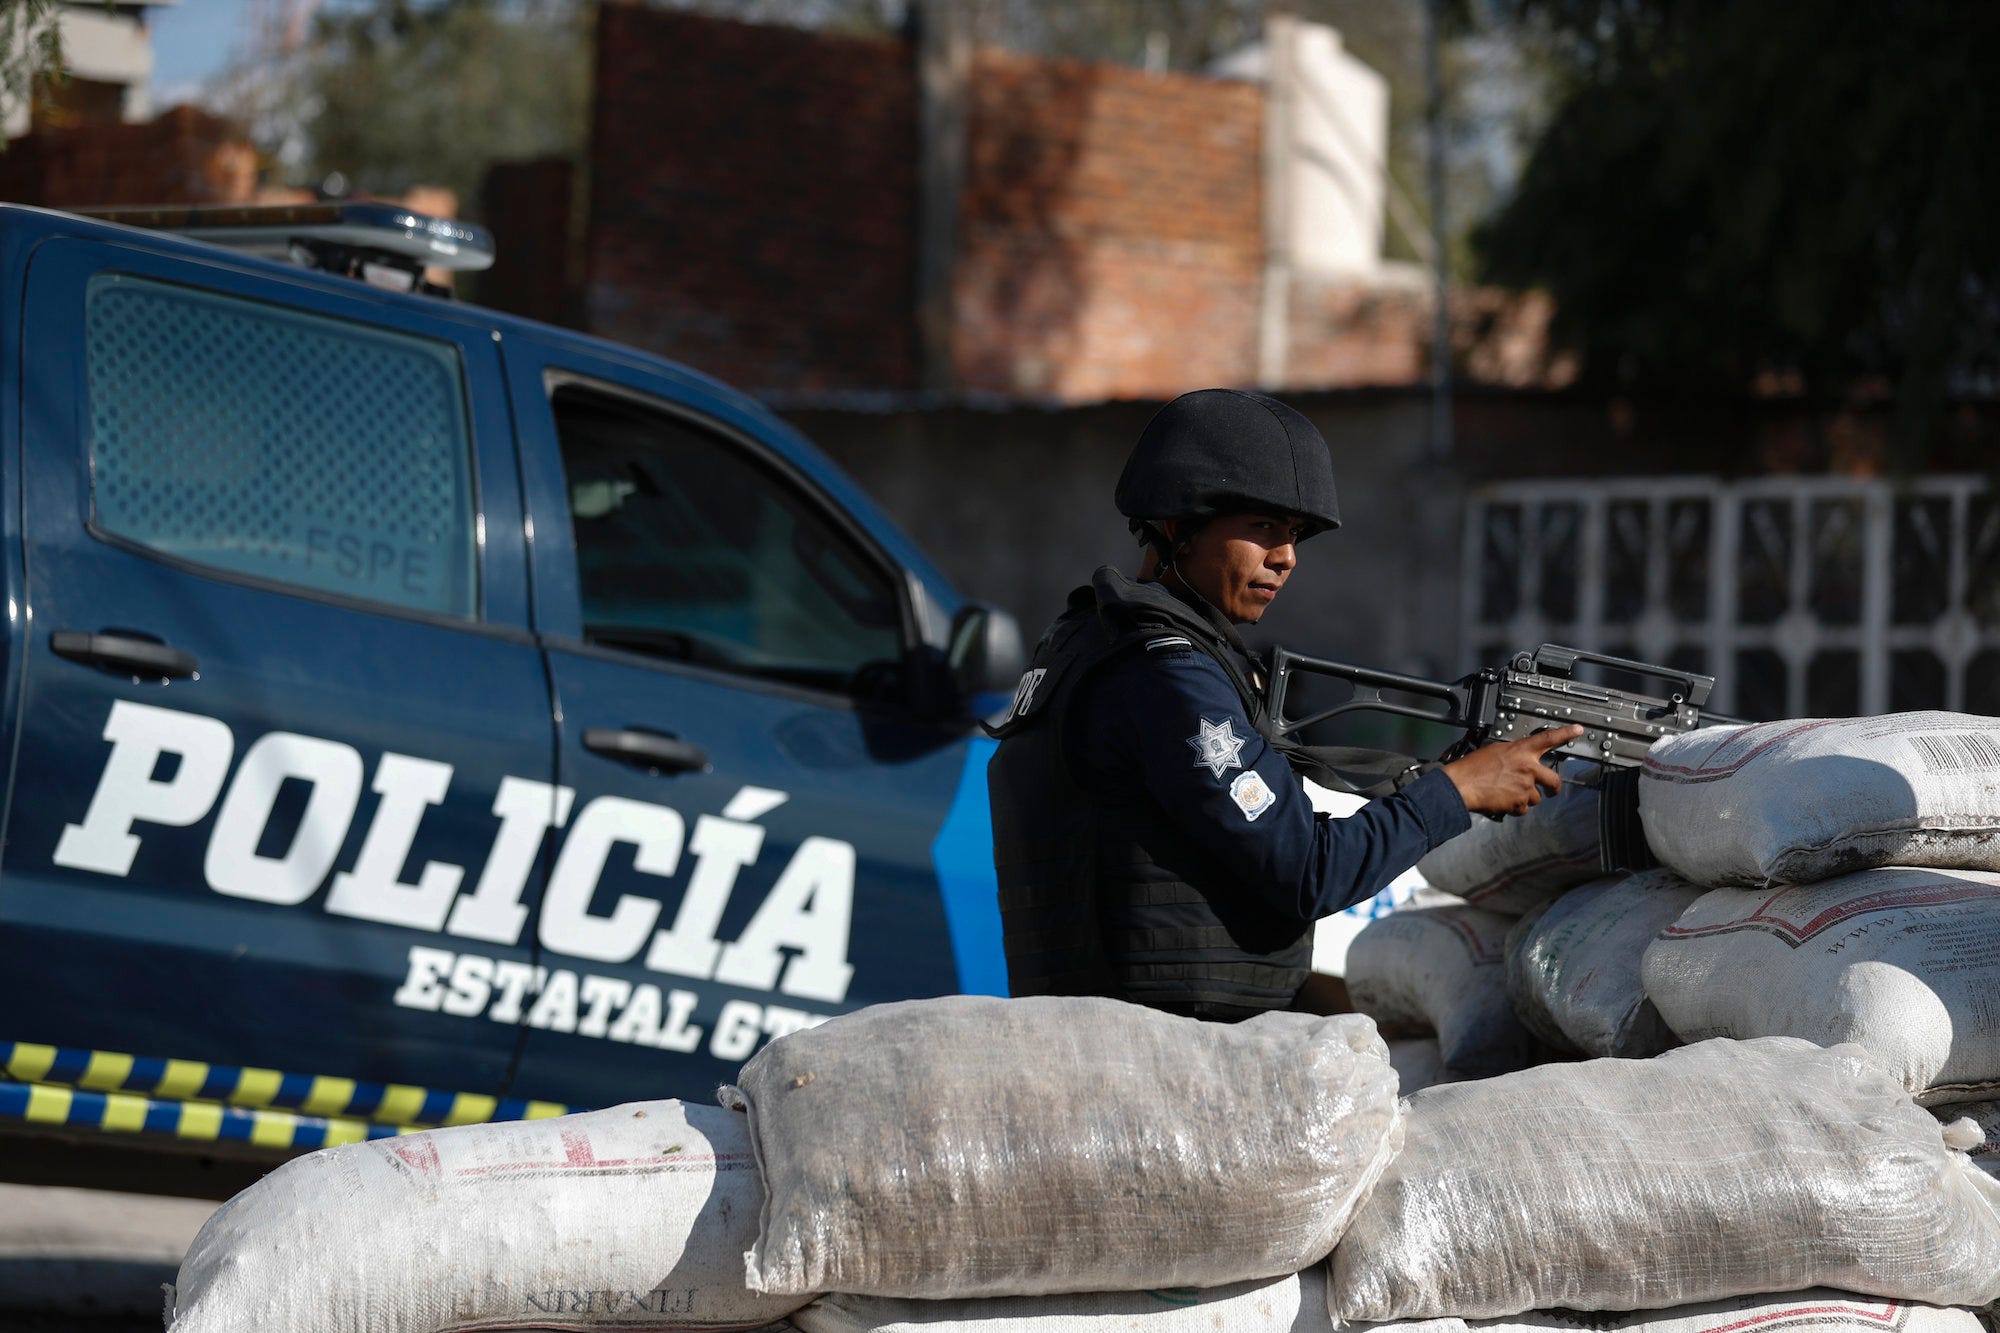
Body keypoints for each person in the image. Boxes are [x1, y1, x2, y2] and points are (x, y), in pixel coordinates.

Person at [986, 387, 1581, 1021]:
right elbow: (1307, 872)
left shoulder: (1092, 640)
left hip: (1118, 1035)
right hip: (1159, 1053)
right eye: (1263, 527)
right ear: (1175, 525)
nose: (1286, 557)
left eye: (1294, 534)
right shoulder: (1166, 676)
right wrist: (1457, 791)